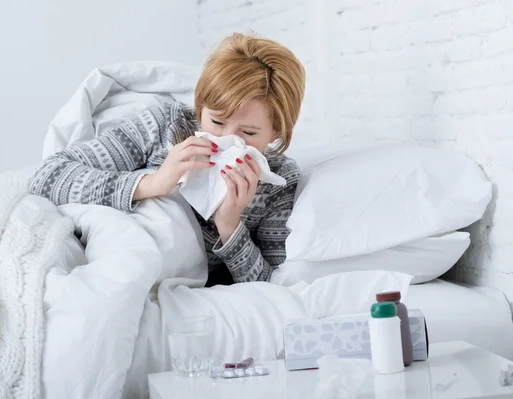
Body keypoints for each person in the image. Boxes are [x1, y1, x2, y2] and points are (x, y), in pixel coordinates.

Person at [29, 33, 306, 286]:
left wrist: (229, 226)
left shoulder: (278, 181)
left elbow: (271, 286)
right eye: (217, 121)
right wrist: (152, 183)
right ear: (200, 108)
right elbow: (46, 177)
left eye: (248, 132)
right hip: (114, 260)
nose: (228, 139)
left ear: (275, 133)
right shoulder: (165, 126)